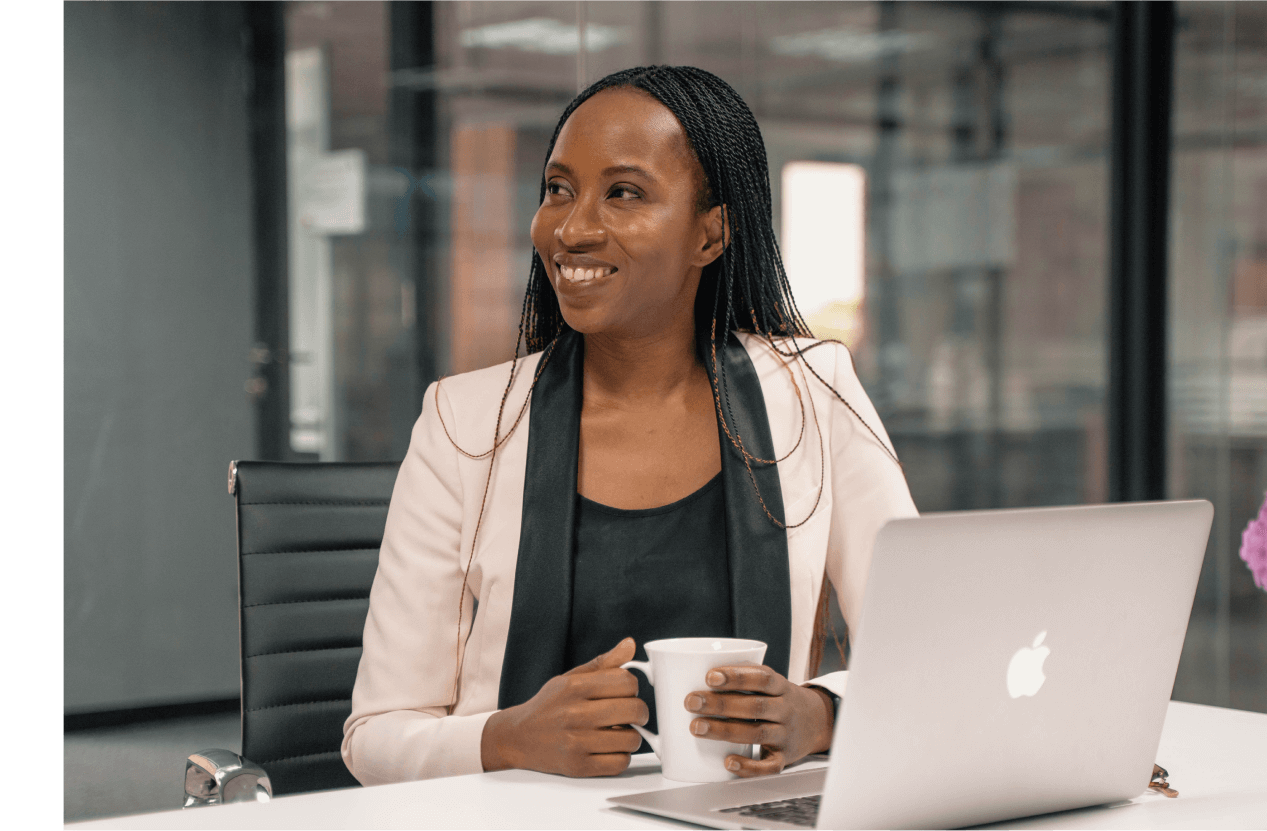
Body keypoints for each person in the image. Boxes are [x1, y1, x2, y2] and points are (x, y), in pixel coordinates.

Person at [342, 66, 917, 786]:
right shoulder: (463, 423)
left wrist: (819, 714)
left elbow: (922, 660)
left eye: (624, 193)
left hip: (737, 812)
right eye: (558, 189)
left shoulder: (812, 394)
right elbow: (375, 735)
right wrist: (508, 736)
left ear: (711, 233)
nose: (573, 228)